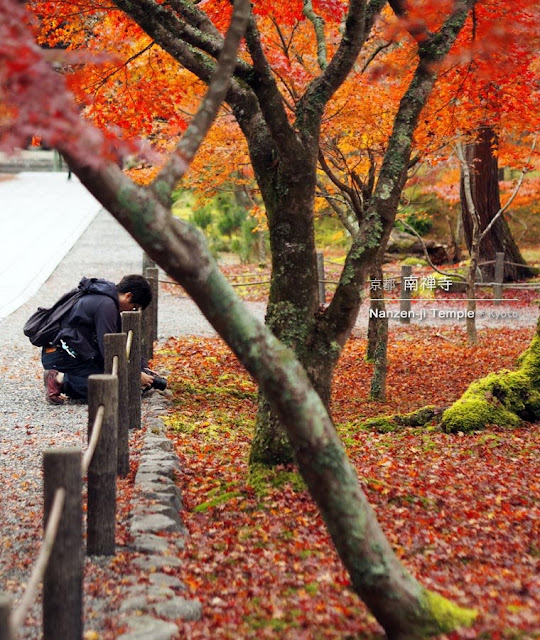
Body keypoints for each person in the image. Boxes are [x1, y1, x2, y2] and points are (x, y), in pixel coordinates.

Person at [42, 275, 154, 404]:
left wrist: (142, 368)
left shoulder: (105, 298)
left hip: (72, 352)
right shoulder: (106, 305)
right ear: (128, 296)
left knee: (126, 381)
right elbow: (108, 349)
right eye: (134, 306)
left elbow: (117, 342)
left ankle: (66, 380)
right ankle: (59, 379)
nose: (131, 310)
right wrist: (134, 374)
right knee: (117, 386)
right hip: (62, 356)